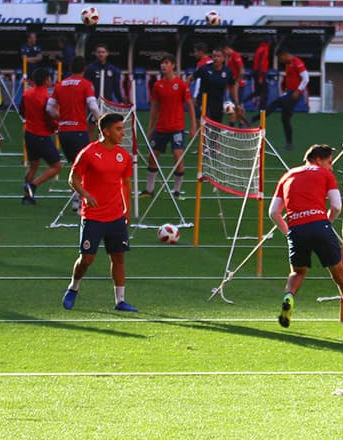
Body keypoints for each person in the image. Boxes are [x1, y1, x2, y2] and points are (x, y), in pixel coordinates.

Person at [271, 144, 343, 335]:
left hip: (297, 228)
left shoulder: (287, 176)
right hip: (320, 225)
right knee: (340, 275)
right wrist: (327, 223)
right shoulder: (325, 175)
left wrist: (288, 232)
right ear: (318, 160)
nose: (331, 167)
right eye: (329, 162)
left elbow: (274, 212)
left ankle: (289, 297)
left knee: (297, 272)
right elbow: (336, 206)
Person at [62, 112, 136, 312]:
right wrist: (85, 194)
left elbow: (125, 184)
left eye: (123, 128)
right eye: (118, 129)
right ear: (106, 131)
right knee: (87, 259)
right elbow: (73, 179)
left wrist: (127, 209)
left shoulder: (124, 156)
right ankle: (73, 287)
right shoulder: (88, 153)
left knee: (118, 257)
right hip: (93, 216)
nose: (123, 133)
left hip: (115, 216)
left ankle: (120, 300)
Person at [146, 54, 196, 197]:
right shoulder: (158, 85)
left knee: (178, 157)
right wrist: (150, 128)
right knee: (152, 157)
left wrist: (193, 126)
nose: (163, 66)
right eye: (162, 63)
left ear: (173, 65)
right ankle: (149, 190)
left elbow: (190, 105)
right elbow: (155, 108)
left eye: (166, 63)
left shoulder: (181, 84)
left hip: (176, 128)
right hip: (161, 128)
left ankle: (177, 191)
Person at [49, 56, 102, 171]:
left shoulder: (60, 85)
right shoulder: (86, 84)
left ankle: (76, 189)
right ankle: (80, 188)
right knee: (85, 164)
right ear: (85, 69)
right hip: (78, 130)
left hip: (63, 131)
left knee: (75, 164)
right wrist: (100, 120)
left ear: (70, 68)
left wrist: (59, 117)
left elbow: (49, 108)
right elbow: (93, 106)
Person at [19, 67, 62, 205]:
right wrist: (57, 125)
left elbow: (21, 110)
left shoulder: (27, 94)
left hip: (29, 133)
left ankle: (27, 197)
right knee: (56, 166)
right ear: (46, 80)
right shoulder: (46, 97)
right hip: (42, 135)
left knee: (33, 165)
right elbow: (49, 117)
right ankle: (33, 185)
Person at [263, 49, 307, 152]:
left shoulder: (297, 62)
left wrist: (298, 90)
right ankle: (289, 144)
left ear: (285, 54)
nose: (280, 60)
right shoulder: (289, 64)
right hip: (289, 93)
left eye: (280, 58)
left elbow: (306, 78)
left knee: (276, 103)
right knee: (285, 119)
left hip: (294, 94)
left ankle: (253, 119)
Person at [194, 47, 238, 124]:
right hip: (203, 100)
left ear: (224, 58)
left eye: (218, 56)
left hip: (217, 101)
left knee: (216, 127)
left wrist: (236, 102)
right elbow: (191, 78)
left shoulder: (227, 71)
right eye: (214, 56)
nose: (216, 58)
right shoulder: (204, 69)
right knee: (202, 122)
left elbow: (232, 86)